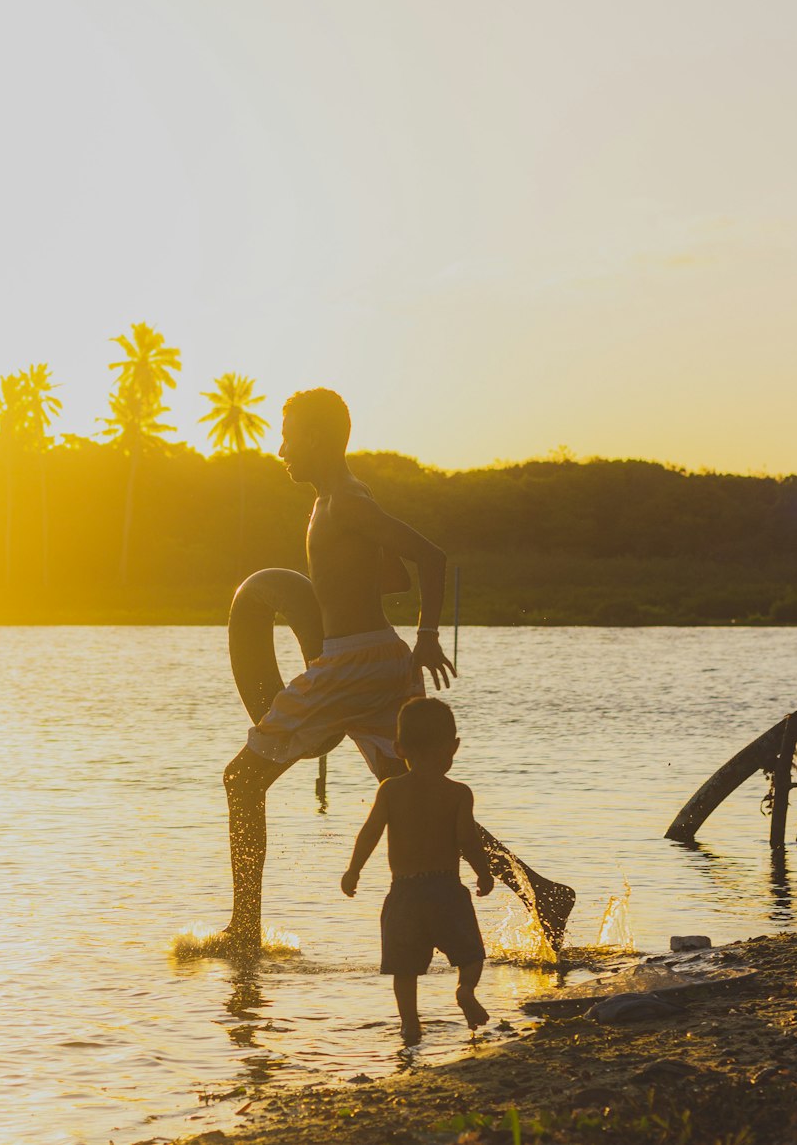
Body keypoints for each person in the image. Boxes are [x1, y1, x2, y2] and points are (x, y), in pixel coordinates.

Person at [221, 388, 573, 953]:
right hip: (377, 662)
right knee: (413, 793)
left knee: (241, 782)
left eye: (287, 434)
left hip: (352, 662)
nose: (280, 446)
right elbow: (394, 580)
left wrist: (428, 636)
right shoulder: (340, 500)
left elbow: (430, 557)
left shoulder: (346, 502)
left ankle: (244, 931)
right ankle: (542, 894)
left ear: (315, 437)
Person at [341, 696, 493, 1046]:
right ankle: (465, 991)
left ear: (397, 748)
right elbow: (467, 841)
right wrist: (484, 873)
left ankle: (410, 1025)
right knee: (471, 956)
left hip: (404, 894)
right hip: (446, 891)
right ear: (453, 747)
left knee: (404, 970)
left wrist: (353, 870)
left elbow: (370, 832)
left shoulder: (391, 790)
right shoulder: (458, 793)